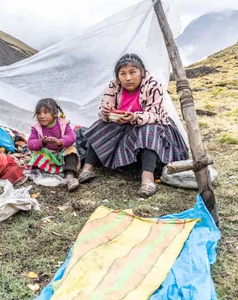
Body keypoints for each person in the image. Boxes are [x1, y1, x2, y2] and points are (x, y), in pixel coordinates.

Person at [78, 53, 189, 197]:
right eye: (123, 74)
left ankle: (147, 180)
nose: (128, 78)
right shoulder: (114, 85)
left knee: (149, 131)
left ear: (141, 72)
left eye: (132, 72)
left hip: (153, 125)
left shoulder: (153, 84)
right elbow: (104, 108)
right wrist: (106, 112)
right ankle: (87, 169)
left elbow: (155, 115)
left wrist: (135, 117)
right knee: (100, 125)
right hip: (123, 124)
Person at [27, 98, 80, 191]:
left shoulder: (63, 123)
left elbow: (72, 137)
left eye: (45, 112)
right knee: (38, 152)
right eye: (39, 113)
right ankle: (40, 173)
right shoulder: (36, 128)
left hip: (61, 153)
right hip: (48, 155)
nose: (41, 116)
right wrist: (42, 142)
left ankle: (70, 177)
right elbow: (30, 144)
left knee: (71, 150)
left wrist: (60, 142)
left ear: (55, 114)